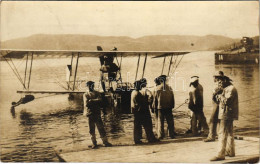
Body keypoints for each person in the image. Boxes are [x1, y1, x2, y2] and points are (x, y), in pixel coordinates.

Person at [210, 76, 238, 161]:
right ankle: (230, 151)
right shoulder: (227, 88)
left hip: (226, 114)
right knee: (229, 132)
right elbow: (219, 101)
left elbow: (227, 101)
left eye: (220, 81)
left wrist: (219, 95)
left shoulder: (231, 89)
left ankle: (220, 154)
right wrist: (216, 94)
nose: (219, 83)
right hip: (227, 113)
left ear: (225, 80)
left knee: (222, 133)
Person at [83, 81, 112, 149]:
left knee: (101, 128)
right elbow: (86, 103)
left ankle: (105, 142)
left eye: (92, 85)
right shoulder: (85, 94)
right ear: (87, 86)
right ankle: (94, 143)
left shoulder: (96, 93)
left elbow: (100, 100)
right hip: (90, 113)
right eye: (89, 85)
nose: (91, 87)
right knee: (91, 129)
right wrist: (96, 100)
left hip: (97, 113)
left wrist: (92, 101)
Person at [131, 80, 158, 144]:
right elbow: (141, 103)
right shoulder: (137, 93)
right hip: (141, 111)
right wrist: (148, 102)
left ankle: (137, 140)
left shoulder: (134, 92)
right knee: (147, 125)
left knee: (137, 126)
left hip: (136, 111)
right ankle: (150, 138)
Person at [152, 75, 176, 139]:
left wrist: (154, 107)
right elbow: (172, 98)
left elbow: (155, 99)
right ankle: (171, 134)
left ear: (160, 80)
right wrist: (172, 105)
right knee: (170, 121)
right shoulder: (170, 88)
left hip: (160, 107)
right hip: (168, 107)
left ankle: (161, 135)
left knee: (160, 121)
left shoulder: (157, 88)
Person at [204, 71, 224, 142]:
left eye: (214, 77)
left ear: (217, 77)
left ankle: (211, 136)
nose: (213, 78)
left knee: (212, 120)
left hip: (217, 104)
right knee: (219, 120)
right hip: (219, 105)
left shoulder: (219, 85)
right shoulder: (222, 83)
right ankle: (220, 135)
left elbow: (215, 96)